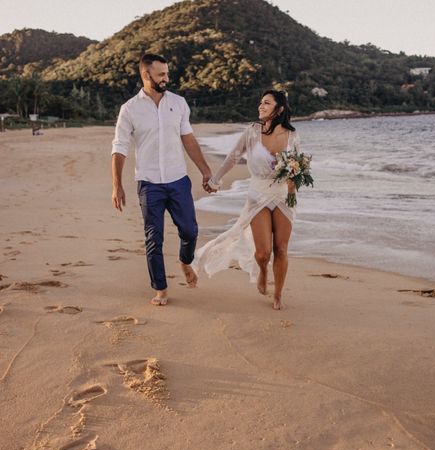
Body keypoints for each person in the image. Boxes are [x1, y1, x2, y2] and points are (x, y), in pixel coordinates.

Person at [111, 53, 214, 306]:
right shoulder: (130, 109)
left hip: (178, 180)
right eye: (161, 75)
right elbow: (119, 147)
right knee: (153, 238)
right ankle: (161, 289)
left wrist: (205, 170)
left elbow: (188, 139)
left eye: (167, 74)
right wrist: (117, 185)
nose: (167, 78)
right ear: (146, 76)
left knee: (190, 231)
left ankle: (185, 261)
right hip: (149, 183)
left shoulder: (178, 103)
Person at [193, 89, 302, 310]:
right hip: (258, 194)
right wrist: (215, 180)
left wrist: (293, 186)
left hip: (283, 195)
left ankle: (278, 294)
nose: (261, 106)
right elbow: (233, 157)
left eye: (267, 103)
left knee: (281, 248)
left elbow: (298, 169)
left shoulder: (292, 135)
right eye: (260, 102)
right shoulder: (252, 131)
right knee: (263, 252)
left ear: (279, 109)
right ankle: (262, 269)